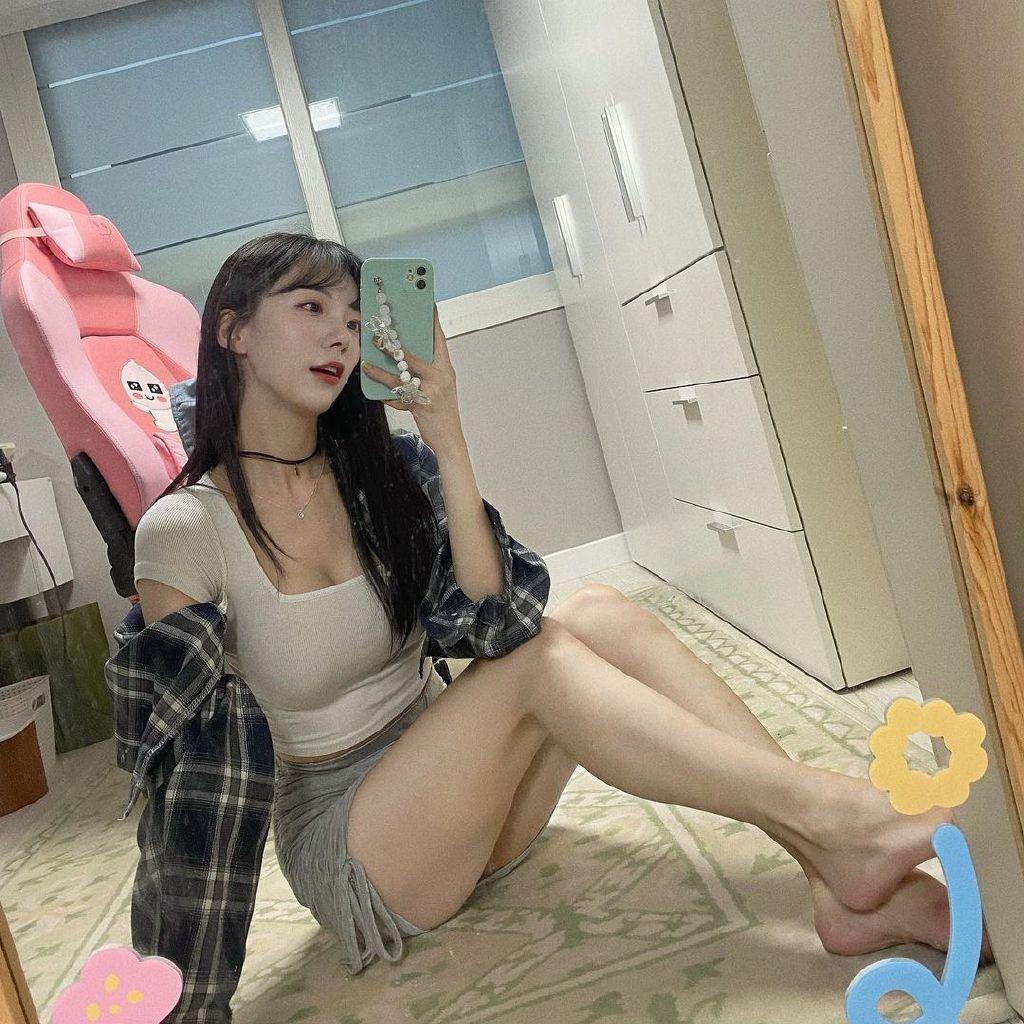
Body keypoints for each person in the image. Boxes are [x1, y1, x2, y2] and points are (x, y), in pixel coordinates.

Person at [132, 232, 989, 989]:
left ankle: (831, 879)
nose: (340, 335)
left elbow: (496, 624)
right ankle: (843, 819)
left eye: (356, 319)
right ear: (233, 330)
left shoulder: (379, 474)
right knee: (540, 667)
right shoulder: (183, 532)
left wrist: (445, 432)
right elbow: (182, 773)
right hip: (364, 852)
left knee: (601, 612)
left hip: (473, 800)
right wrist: (180, 985)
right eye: (311, 307)